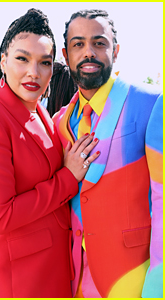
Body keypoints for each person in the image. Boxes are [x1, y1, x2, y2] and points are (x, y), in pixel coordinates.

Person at [0, 8, 100, 298]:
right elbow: (1, 215)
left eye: (44, 62)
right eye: (22, 59)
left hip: (54, 263)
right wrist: (68, 177)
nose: (33, 72)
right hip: (21, 276)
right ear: (3, 61)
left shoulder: (39, 110)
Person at [53, 9, 163, 298]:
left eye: (99, 43)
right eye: (78, 44)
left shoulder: (151, 104)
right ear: (66, 55)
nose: (89, 52)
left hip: (133, 276)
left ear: (116, 50)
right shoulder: (58, 122)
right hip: (73, 275)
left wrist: (158, 284)